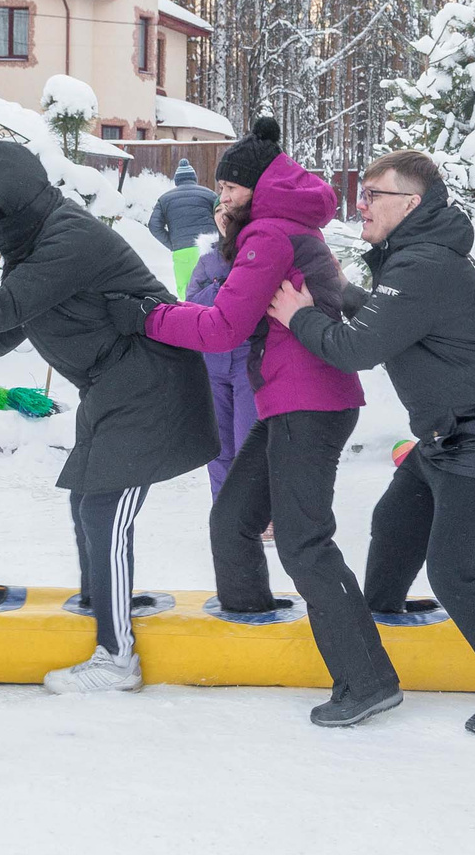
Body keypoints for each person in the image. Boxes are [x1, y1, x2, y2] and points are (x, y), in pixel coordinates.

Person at [0, 138, 215, 693]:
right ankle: (102, 604)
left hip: (153, 385)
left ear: (11, 198)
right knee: (89, 504)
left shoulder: (69, 236)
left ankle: (116, 657)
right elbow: (4, 333)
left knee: (106, 511)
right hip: (117, 386)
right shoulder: (34, 247)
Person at [265, 150, 475, 735]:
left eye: (374, 193)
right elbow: (392, 319)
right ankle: (379, 631)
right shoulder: (417, 260)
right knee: (395, 523)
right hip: (449, 435)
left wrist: (300, 315)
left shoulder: (423, 264)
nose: (361, 203)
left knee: (456, 570)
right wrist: (343, 297)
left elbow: (356, 349)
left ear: (411, 204)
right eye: (362, 191)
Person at [128, 116, 401, 727]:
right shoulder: (280, 230)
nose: (218, 199)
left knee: (304, 543)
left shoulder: (270, 236)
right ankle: (249, 620)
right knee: (234, 518)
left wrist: (148, 317)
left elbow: (223, 325)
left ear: (254, 188)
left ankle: (368, 679)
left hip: (311, 402)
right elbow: (246, 313)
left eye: (227, 189)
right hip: (292, 398)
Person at [186, 198, 257, 496]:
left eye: (229, 210)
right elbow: (192, 304)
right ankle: (223, 510)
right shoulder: (207, 259)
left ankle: (257, 512)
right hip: (212, 361)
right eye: (217, 210)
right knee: (219, 445)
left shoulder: (256, 252)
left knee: (248, 441)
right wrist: (220, 289)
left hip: (247, 359)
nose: (222, 216)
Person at [144, 155, 219, 294]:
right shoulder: (210, 195)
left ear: (177, 181)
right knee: (211, 285)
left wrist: (172, 244)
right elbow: (223, 217)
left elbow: (154, 225)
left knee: (186, 289)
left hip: (182, 251)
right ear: (194, 178)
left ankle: (190, 315)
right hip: (209, 248)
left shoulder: (164, 199)